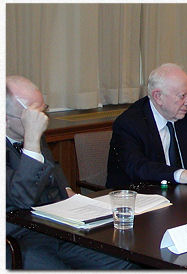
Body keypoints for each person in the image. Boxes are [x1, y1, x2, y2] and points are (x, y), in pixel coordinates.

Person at [6, 76, 137, 269]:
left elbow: (52, 167)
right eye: (34, 115)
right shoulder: (31, 134)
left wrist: (66, 189)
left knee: (125, 263)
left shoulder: (30, 132)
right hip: (18, 237)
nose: (43, 120)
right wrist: (32, 140)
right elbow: (21, 197)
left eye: (44, 111)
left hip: (54, 227)